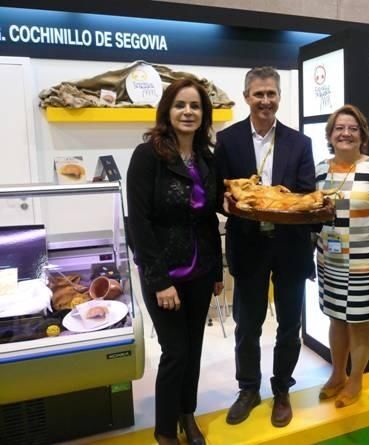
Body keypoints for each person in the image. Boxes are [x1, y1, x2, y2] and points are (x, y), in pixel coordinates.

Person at [215, 66, 315, 428]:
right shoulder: (227, 141)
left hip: (290, 247)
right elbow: (218, 193)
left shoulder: (299, 142)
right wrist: (230, 204)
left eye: (271, 93)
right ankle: (248, 389)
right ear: (246, 97)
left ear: (279, 97)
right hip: (247, 245)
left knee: (289, 324)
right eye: (259, 94)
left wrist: (277, 204)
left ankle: (282, 388)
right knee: (247, 325)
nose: (265, 100)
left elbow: (305, 195)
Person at [127, 78, 224, 445]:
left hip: (201, 270)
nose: (188, 112)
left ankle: (187, 414)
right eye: (180, 105)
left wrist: (216, 270)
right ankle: (165, 431)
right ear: (167, 110)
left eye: (195, 106)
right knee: (175, 351)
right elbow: (139, 223)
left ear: (204, 114)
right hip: (164, 272)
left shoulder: (207, 159)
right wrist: (160, 281)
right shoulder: (147, 155)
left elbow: (208, 218)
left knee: (193, 347)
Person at [315, 104, 369, 407]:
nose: (345, 133)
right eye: (339, 128)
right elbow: (314, 214)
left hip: (364, 262)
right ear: (330, 135)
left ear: (362, 135)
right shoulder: (320, 169)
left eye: (352, 128)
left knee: (359, 321)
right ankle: (337, 374)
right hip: (329, 261)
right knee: (336, 318)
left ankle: (356, 379)